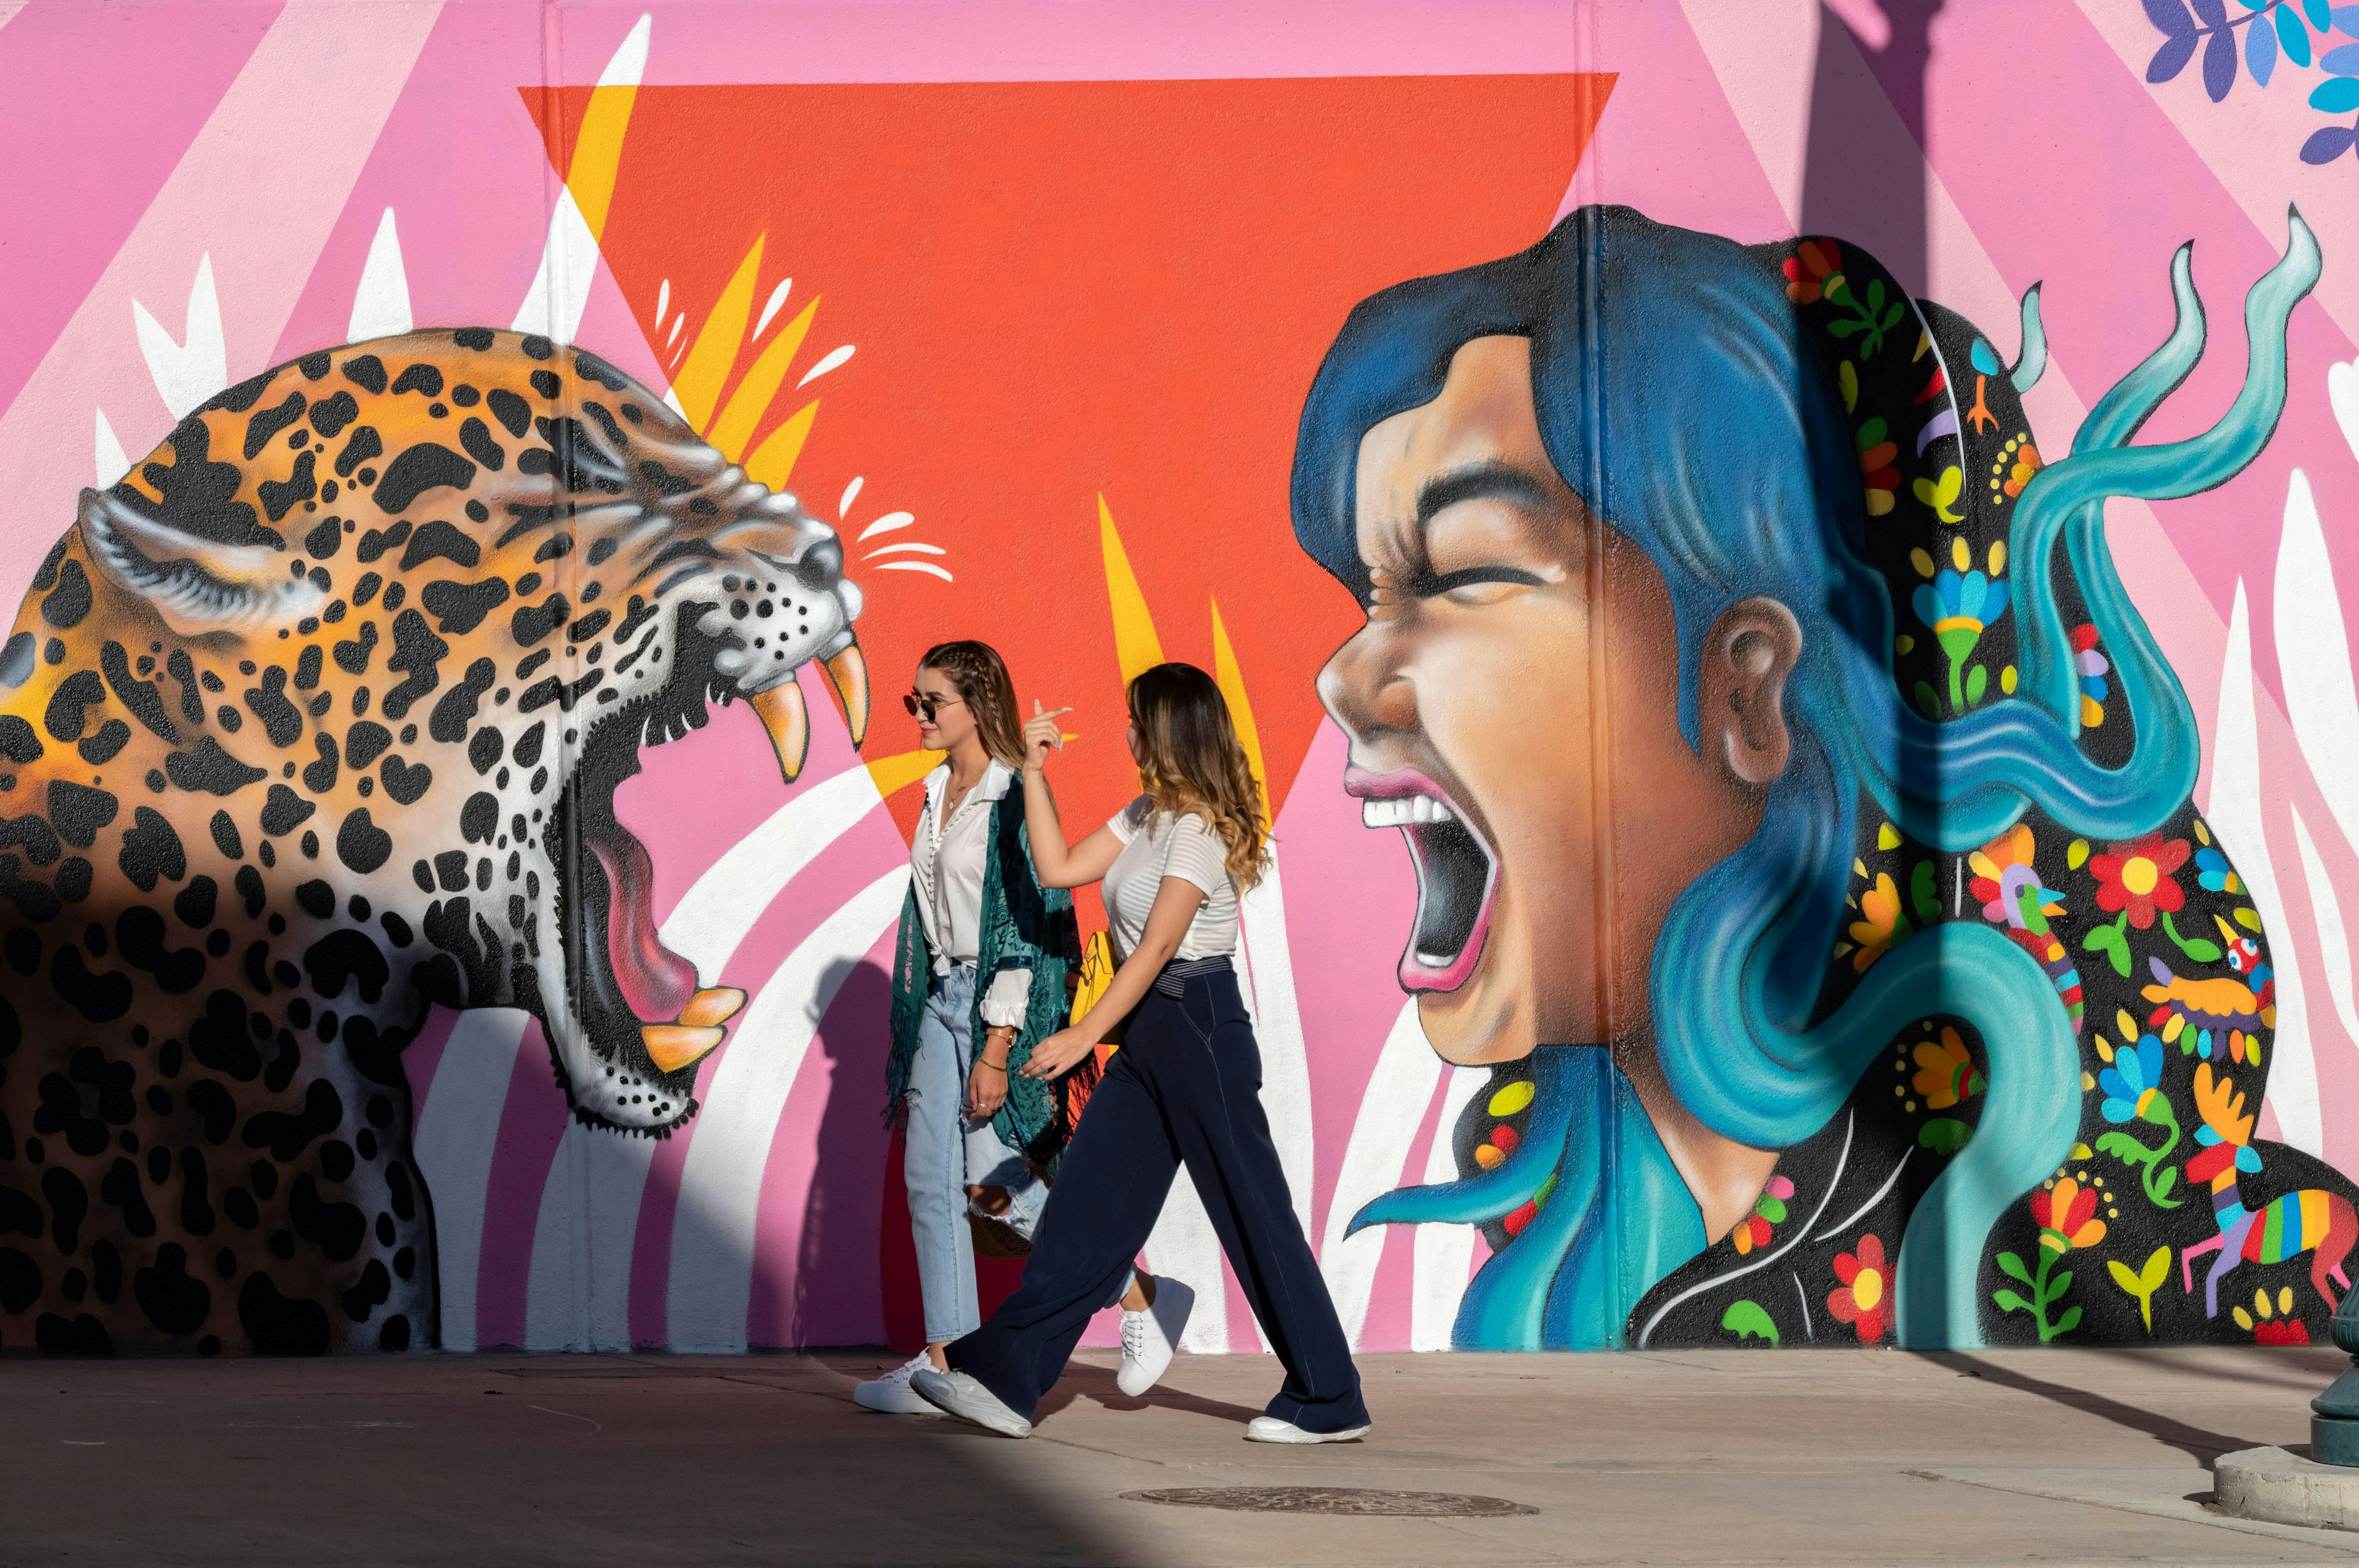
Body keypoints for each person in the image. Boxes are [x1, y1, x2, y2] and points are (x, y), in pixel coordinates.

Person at [1289, 203, 2323, 1348]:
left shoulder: (2250, 1262)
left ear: (1746, 689)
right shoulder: (1569, 1213)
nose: (1344, 675)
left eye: (1463, 574)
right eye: (1369, 596)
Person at [913, 663, 1369, 1443]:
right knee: (1086, 1215)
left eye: (1136, 720)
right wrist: (1032, 773)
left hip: (1197, 1025)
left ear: (1165, 730)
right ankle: (1006, 1380)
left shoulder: (1199, 828)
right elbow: (1058, 869)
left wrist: (1084, 1034)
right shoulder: (1149, 813)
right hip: (1152, 1034)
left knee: (1254, 1214)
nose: (1126, 732)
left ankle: (1330, 1398)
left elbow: (1158, 946)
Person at [855, 641, 1184, 1413]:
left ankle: (1137, 1295)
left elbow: (1028, 926)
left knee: (999, 1187)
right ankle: (947, 1361)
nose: (919, 715)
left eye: (931, 701)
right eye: (914, 701)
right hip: (939, 996)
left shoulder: (1008, 794)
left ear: (977, 704)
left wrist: (999, 1043)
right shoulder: (937, 792)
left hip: (991, 1002)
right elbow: (934, 915)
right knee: (927, 1185)